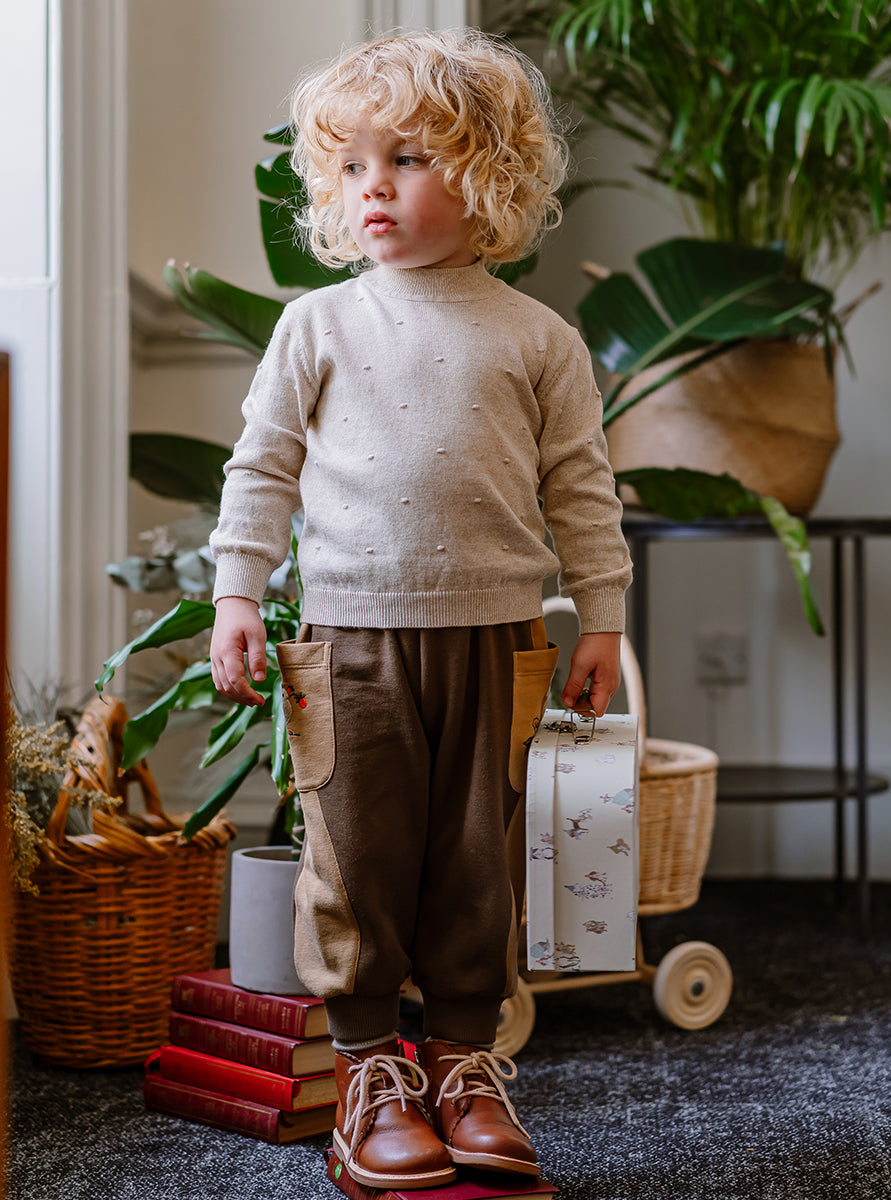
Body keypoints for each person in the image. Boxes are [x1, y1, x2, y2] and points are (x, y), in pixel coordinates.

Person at [208, 28, 632, 1191]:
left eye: (406, 159)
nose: (373, 188)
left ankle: (460, 1065)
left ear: (488, 176)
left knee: (477, 863)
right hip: (349, 643)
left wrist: (600, 614)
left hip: (500, 641)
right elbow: (261, 469)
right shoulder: (317, 327)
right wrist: (237, 591)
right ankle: (367, 1073)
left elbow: (581, 487)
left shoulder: (538, 338)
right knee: (355, 861)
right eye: (351, 166)